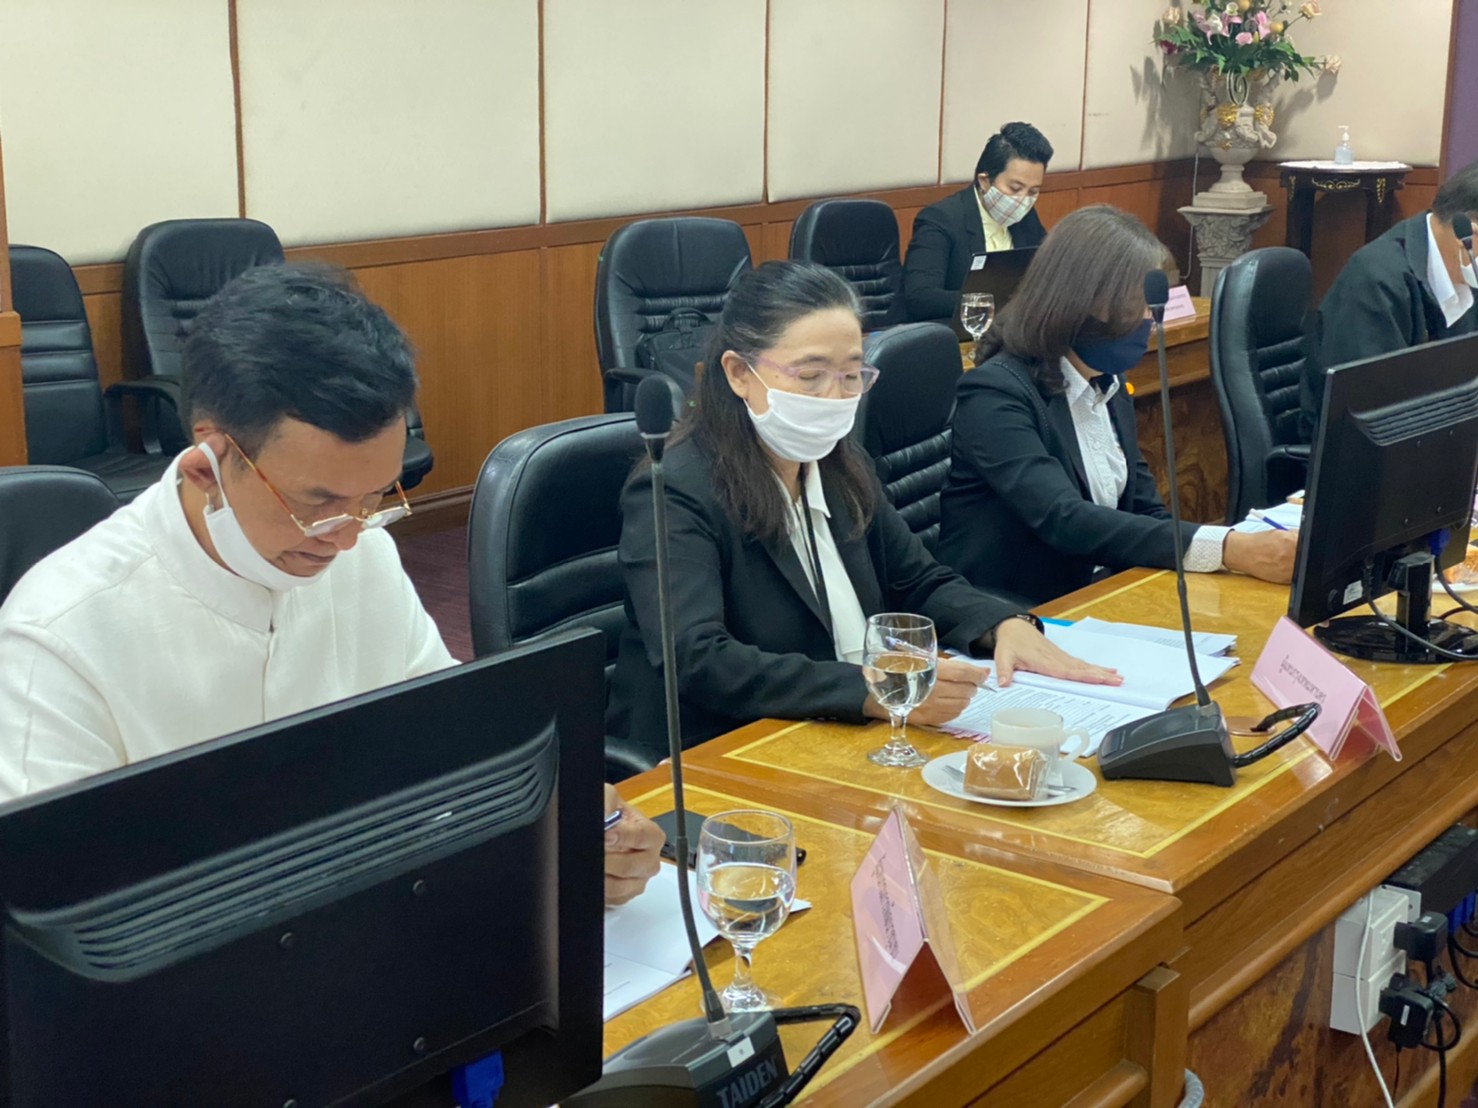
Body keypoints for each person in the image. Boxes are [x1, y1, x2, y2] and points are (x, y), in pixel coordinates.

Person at [0, 262, 662, 904]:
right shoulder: (60, 638)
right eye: (314, 504)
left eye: (373, 498)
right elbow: (55, 921)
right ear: (208, 464)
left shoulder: (364, 553)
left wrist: (561, 830)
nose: (346, 537)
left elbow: (452, 748)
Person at [607, 260, 1119, 760]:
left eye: (852, 375)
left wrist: (1002, 625)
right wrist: (869, 689)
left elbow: (918, 581)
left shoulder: (838, 464)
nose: (834, 398)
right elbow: (698, 658)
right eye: (811, 376)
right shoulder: (674, 488)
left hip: (845, 734)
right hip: (724, 750)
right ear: (740, 373)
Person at [936, 206, 1298, 606]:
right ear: (1089, 301)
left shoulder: (1107, 383)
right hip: (1014, 612)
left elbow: (1145, 512)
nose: (1152, 322)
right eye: (1141, 305)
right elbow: (1063, 518)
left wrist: (1226, 549)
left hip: (1102, 594)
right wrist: (1230, 548)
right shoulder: (995, 393)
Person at [1299, 159, 1478, 439]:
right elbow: (1371, 413)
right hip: (1356, 451)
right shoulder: (1375, 281)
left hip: (1436, 439)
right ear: (1466, 234)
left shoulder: (1464, 272)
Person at [902, 121, 1053, 322]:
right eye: (1015, 189)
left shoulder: (1026, 217)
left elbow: (1047, 271)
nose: (1023, 200)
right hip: (952, 331)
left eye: (1033, 191)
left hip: (1009, 330)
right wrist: (991, 303)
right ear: (984, 181)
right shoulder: (941, 219)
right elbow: (921, 297)